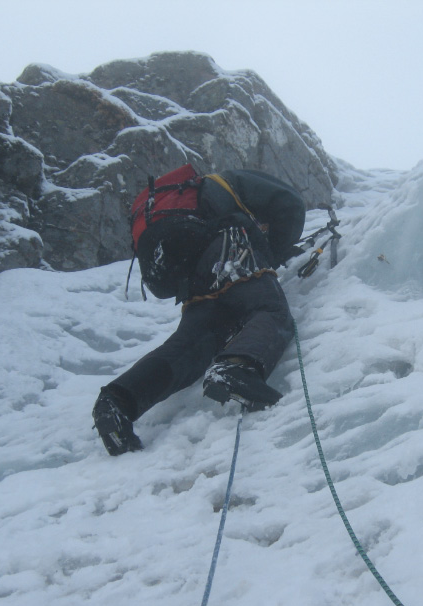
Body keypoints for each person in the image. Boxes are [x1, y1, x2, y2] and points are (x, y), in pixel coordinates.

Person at [92, 167, 307, 456]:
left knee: (192, 345)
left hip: (191, 278)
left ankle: (118, 401)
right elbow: (289, 202)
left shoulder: (178, 208)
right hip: (229, 246)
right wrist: (273, 254)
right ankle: (236, 367)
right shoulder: (228, 181)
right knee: (270, 310)